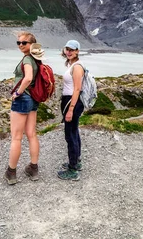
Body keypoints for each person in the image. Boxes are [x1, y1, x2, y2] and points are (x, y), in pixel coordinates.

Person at [4, 31, 44, 185]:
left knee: (16, 137)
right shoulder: (36, 59)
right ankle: (33, 168)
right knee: (32, 134)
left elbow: (27, 78)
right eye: (18, 43)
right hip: (33, 98)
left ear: (31, 44)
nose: (20, 45)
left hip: (23, 98)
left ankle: (11, 172)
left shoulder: (27, 59)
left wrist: (17, 93)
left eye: (24, 43)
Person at [57, 39, 85, 181]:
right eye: (67, 49)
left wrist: (70, 109)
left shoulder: (77, 67)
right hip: (70, 101)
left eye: (72, 50)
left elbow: (77, 89)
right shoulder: (72, 64)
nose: (69, 52)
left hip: (72, 101)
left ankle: (72, 169)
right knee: (74, 131)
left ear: (77, 51)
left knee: (70, 135)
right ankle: (76, 161)